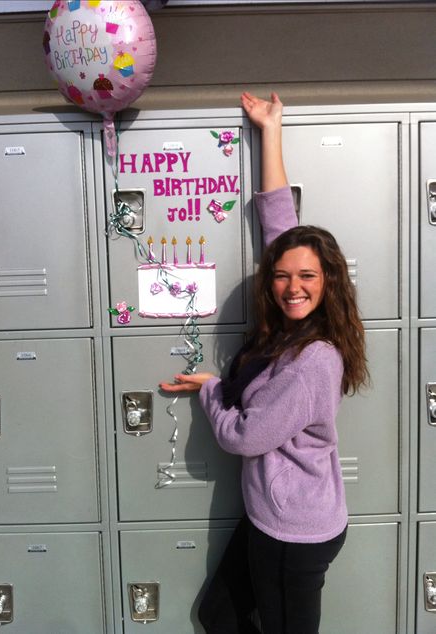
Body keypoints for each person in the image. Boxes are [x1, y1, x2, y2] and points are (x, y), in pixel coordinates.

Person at [160, 92, 369, 634]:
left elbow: (245, 438)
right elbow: (281, 229)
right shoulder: (288, 326)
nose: (291, 286)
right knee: (218, 614)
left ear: (329, 284)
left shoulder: (312, 359)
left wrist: (211, 390)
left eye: (307, 278)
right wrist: (269, 132)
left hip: (294, 533)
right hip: (270, 519)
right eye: (282, 276)